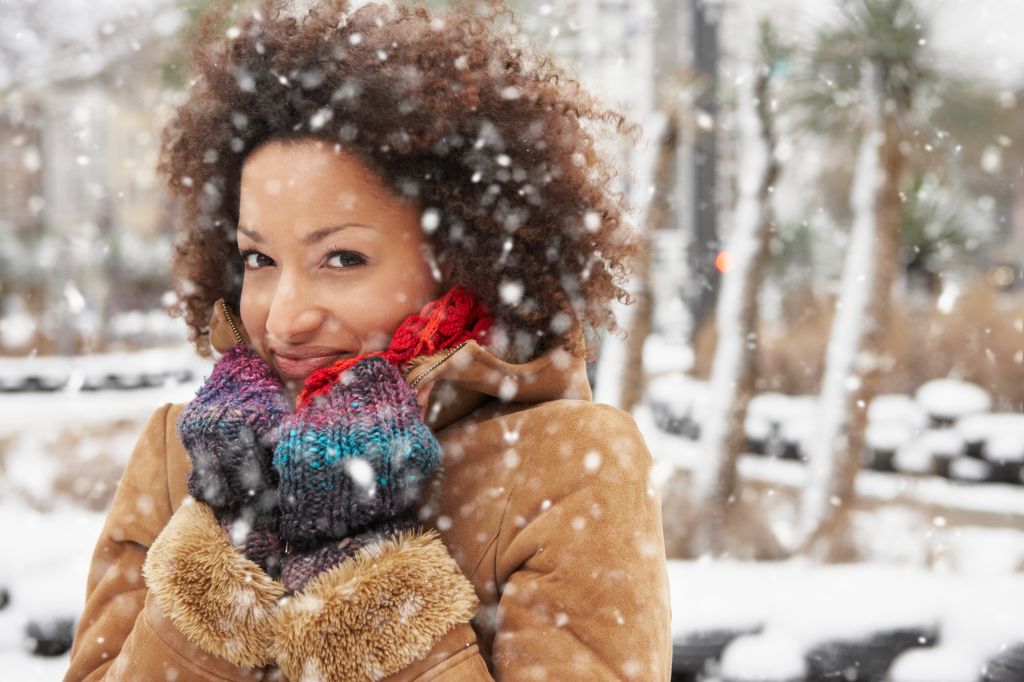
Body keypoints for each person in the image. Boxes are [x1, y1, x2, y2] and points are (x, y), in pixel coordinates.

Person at [65, 0, 672, 679]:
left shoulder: (568, 467)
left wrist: (364, 569)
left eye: (343, 259)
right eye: (259, 260)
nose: (284, 317)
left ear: (461, 260)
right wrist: (225, 548)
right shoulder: (182, 454)